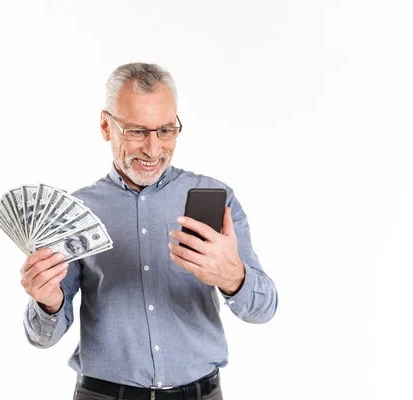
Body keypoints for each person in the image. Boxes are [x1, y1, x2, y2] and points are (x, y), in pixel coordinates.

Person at [19, 63, 278, 400]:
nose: (154, 150)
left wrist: (234, 278)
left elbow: (265, 309)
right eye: (137, 131)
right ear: (105, 126)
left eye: (166, 131)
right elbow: (41, 337)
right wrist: (49, 302)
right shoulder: (76, 212)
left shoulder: (220, 200)